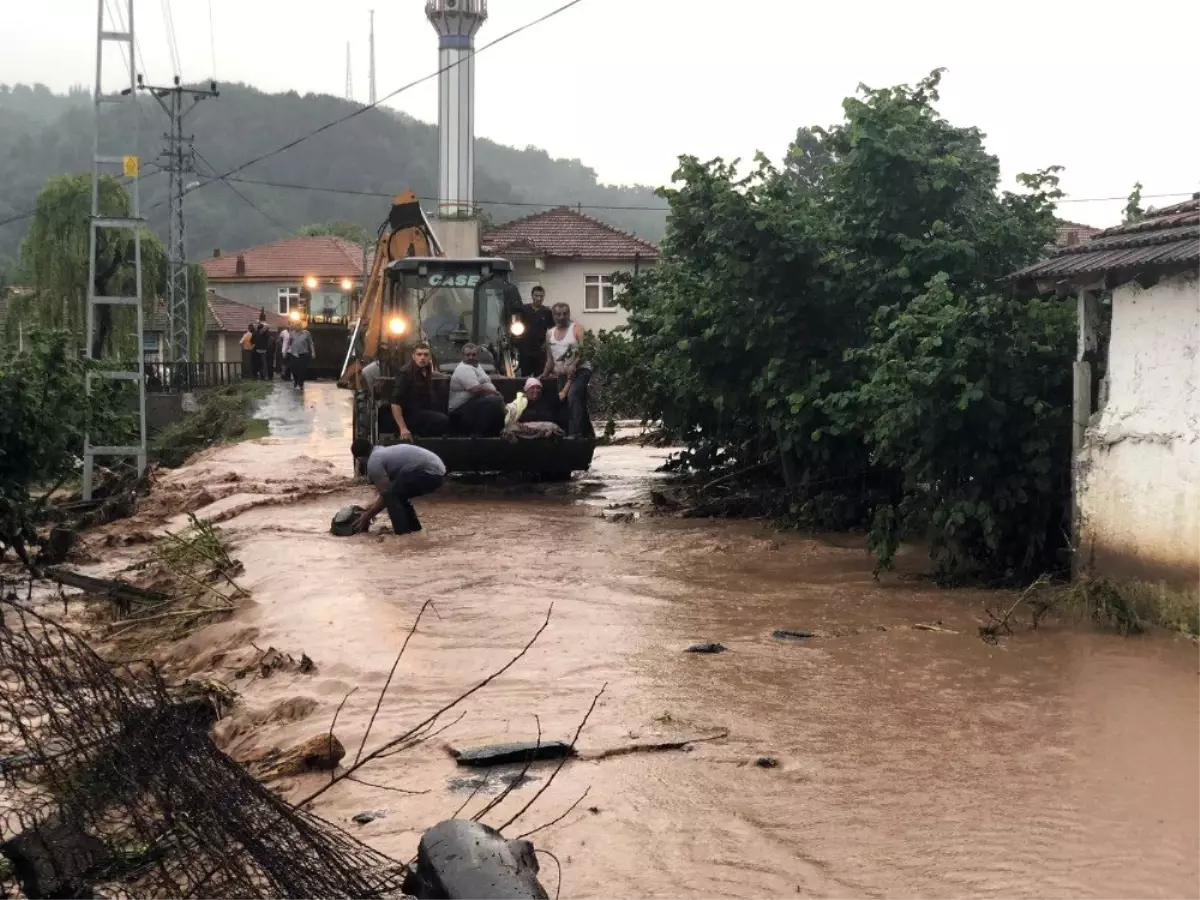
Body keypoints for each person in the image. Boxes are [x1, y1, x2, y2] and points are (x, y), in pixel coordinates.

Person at [350, 438, 446, 535]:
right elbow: (386, 491)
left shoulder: (374, 461)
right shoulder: (381, 451)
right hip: (438, 472)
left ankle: (402, 535)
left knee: (392, 496)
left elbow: (386, 494)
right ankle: (414, 531)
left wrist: (368, 515)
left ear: (359, 458)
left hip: (429, 473)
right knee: (399, 495)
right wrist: (371, 509)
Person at [542, 303, 593, 438]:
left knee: (573, 395)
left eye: (565, 314)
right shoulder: (549, 334)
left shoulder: (577, 328)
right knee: (563, 402)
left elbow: (583, 351)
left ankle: (575, 434)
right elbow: (550, 360)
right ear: (553, 316)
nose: (561, 317)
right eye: (558, 314)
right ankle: (587, 434)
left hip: (581, 370)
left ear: (569, 314)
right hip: (562, 374)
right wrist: (543, 376)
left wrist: (574, 364)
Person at [390, 342, 450, 440]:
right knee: (442, 420)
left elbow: (431, 374)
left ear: (429, 357)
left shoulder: (426, 368)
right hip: (411, 414)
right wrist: (403, 428)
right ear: (413, 356)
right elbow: (395, 403)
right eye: (419, 354)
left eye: (426, 355)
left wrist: (445, 376)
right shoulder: (405, 374)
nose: (422, 357)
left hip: (424, 410)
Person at [448, 343, 505, 436]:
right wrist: (496, 393)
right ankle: (478, 435)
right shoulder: (464, 368)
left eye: (473, 354)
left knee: (496, 404)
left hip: (473, 404)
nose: (471, 357)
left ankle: (498, 435)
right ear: (462, 356)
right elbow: (476, 390)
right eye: (468, 355)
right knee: (492, 402)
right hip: (459, 409)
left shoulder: (476, 365)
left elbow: (484, 379)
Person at [517, 285, 555, 377]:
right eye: (536, 296)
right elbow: (517, 327)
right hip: (525, 349)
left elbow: (552, 330)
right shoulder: (524, 309)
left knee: (540, 376)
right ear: (532, 296)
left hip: (540, 350)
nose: (539, 298)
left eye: (541, 296)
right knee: (525, 376)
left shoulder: (547, 312)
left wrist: (546, 345)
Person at [289, 322, 314, 389]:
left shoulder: (306, 333)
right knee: (293, 369)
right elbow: (290, 343)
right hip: (294, 354)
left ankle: (301, 383)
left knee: (302, 370)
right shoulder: (292, 333)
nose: (297, 327)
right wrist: (286, 351)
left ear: (301, 326)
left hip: (303, 354)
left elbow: (311, 343)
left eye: (298, 325)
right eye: (296, 325)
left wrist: (313, 352)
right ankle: (296, 380)